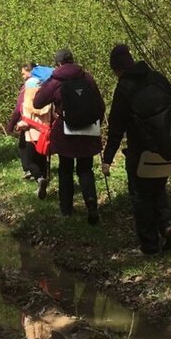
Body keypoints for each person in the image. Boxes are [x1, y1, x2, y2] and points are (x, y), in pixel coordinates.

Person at [100, 43, 171, 256]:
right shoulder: (157, 78)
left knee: (141, 197)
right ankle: (167, 224)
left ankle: (150, 247)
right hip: (166, 148)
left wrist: (107, 159)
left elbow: (116, 126)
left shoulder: (124, 88)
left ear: (118, 68)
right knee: (159, 189)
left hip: (140, 152)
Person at [33, 49, 105, 224]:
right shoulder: (87, 77)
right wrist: (96, 124)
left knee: (66, 169)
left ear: (58, 64)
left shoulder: (56, 80)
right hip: (88, 130)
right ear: (73, 60)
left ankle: (66, 210)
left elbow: (38, 102)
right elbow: (100, 106)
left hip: (66, 131)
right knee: (85, 169)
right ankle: (91, 203)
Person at [7, 61, 52, 198]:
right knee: (42, 158)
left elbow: (20, 111)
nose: (23, 76)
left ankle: (40, 179)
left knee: (28, 161)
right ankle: (43, 184)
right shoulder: (46, 92)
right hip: (45, 131)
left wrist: (12, 125)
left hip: (30, 132)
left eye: (23, 73)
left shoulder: (27, 92)